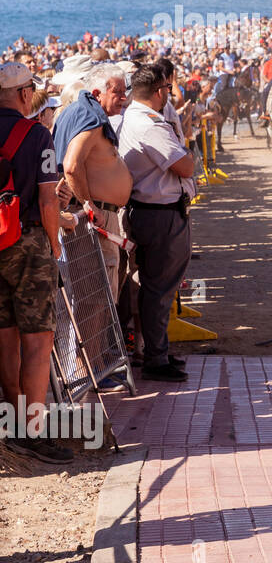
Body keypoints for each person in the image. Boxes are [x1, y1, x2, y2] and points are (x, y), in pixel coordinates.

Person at [0, 63, 67, 464]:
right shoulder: (38, 134)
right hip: (27, 241)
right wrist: (55, 245)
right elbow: (47, 199)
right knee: (38, 341)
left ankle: (12, 421)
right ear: (26, 94)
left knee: (5, 336)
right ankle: (34, 432)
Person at [118, 62, 195, 383]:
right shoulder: (150, 123)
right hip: (159, 213)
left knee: (156, 289)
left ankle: (157, 351)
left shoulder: (136, 118)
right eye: (166, 89)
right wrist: (187, 151)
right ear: (157, 91)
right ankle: (155, 357)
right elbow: (185, 166)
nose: (169, 94)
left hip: (152, 210)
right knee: (159, 289)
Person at [54, 64, 132, 301]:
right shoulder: (91, 116)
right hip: (95, 217)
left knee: (92, 296)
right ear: (97, 93)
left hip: (89, 213)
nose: (123, 97)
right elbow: (71, 165)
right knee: (97, 299)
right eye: (117, 92)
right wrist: (90, 205)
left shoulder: (78, 110)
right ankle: (97, 342)